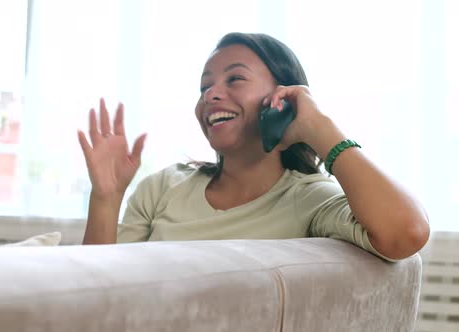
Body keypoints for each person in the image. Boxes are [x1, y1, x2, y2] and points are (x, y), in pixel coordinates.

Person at [77, 32, 429, 261]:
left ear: (284, 97)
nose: (211, 94)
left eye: (235, 79)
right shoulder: (162, 188)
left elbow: (407, 232)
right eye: (204, 87)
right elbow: (96, 292)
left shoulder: (310, 199)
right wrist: (106, 197)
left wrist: (321, 128)